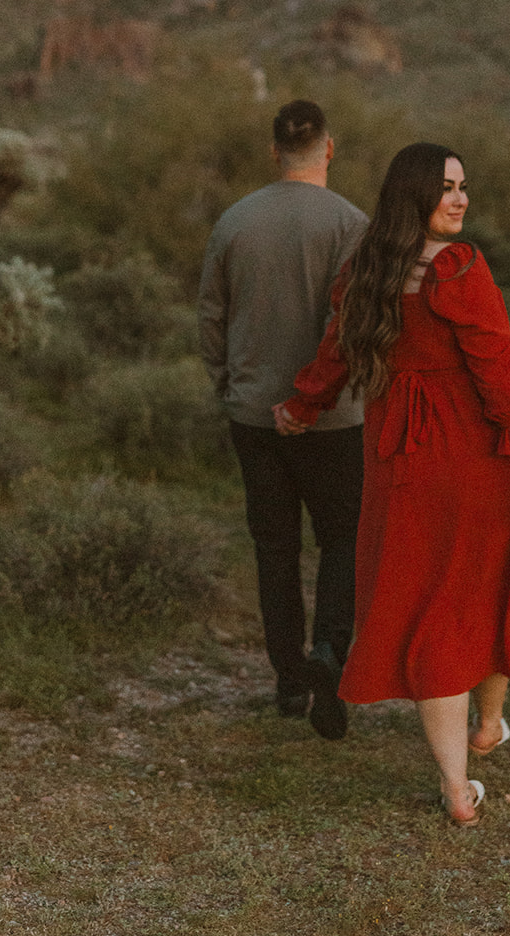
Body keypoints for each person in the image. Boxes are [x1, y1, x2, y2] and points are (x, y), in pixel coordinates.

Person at [274, 142, 510, 823]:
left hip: (400, 461)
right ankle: (487, 725)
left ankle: (454, 784)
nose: (460, 198)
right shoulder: (460, 268)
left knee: (431, 606)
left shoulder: (367, 270)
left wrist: (301, 405)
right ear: (414, 196)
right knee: (491, 585)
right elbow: (498, 372)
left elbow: (336, 353)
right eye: (445, 188)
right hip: (472, 455)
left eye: (464, 185)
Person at [198, 99, 368, 739]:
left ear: (275, 152)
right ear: (330, 148)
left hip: (253, 416)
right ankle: (329, 654)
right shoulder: (353, 224)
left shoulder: (234, 221)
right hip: (336, 421)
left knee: (274, 548)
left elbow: (210, 318)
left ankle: (289, 681)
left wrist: (230, 386)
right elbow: (355, 325)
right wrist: (319, 399)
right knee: (341, 542)